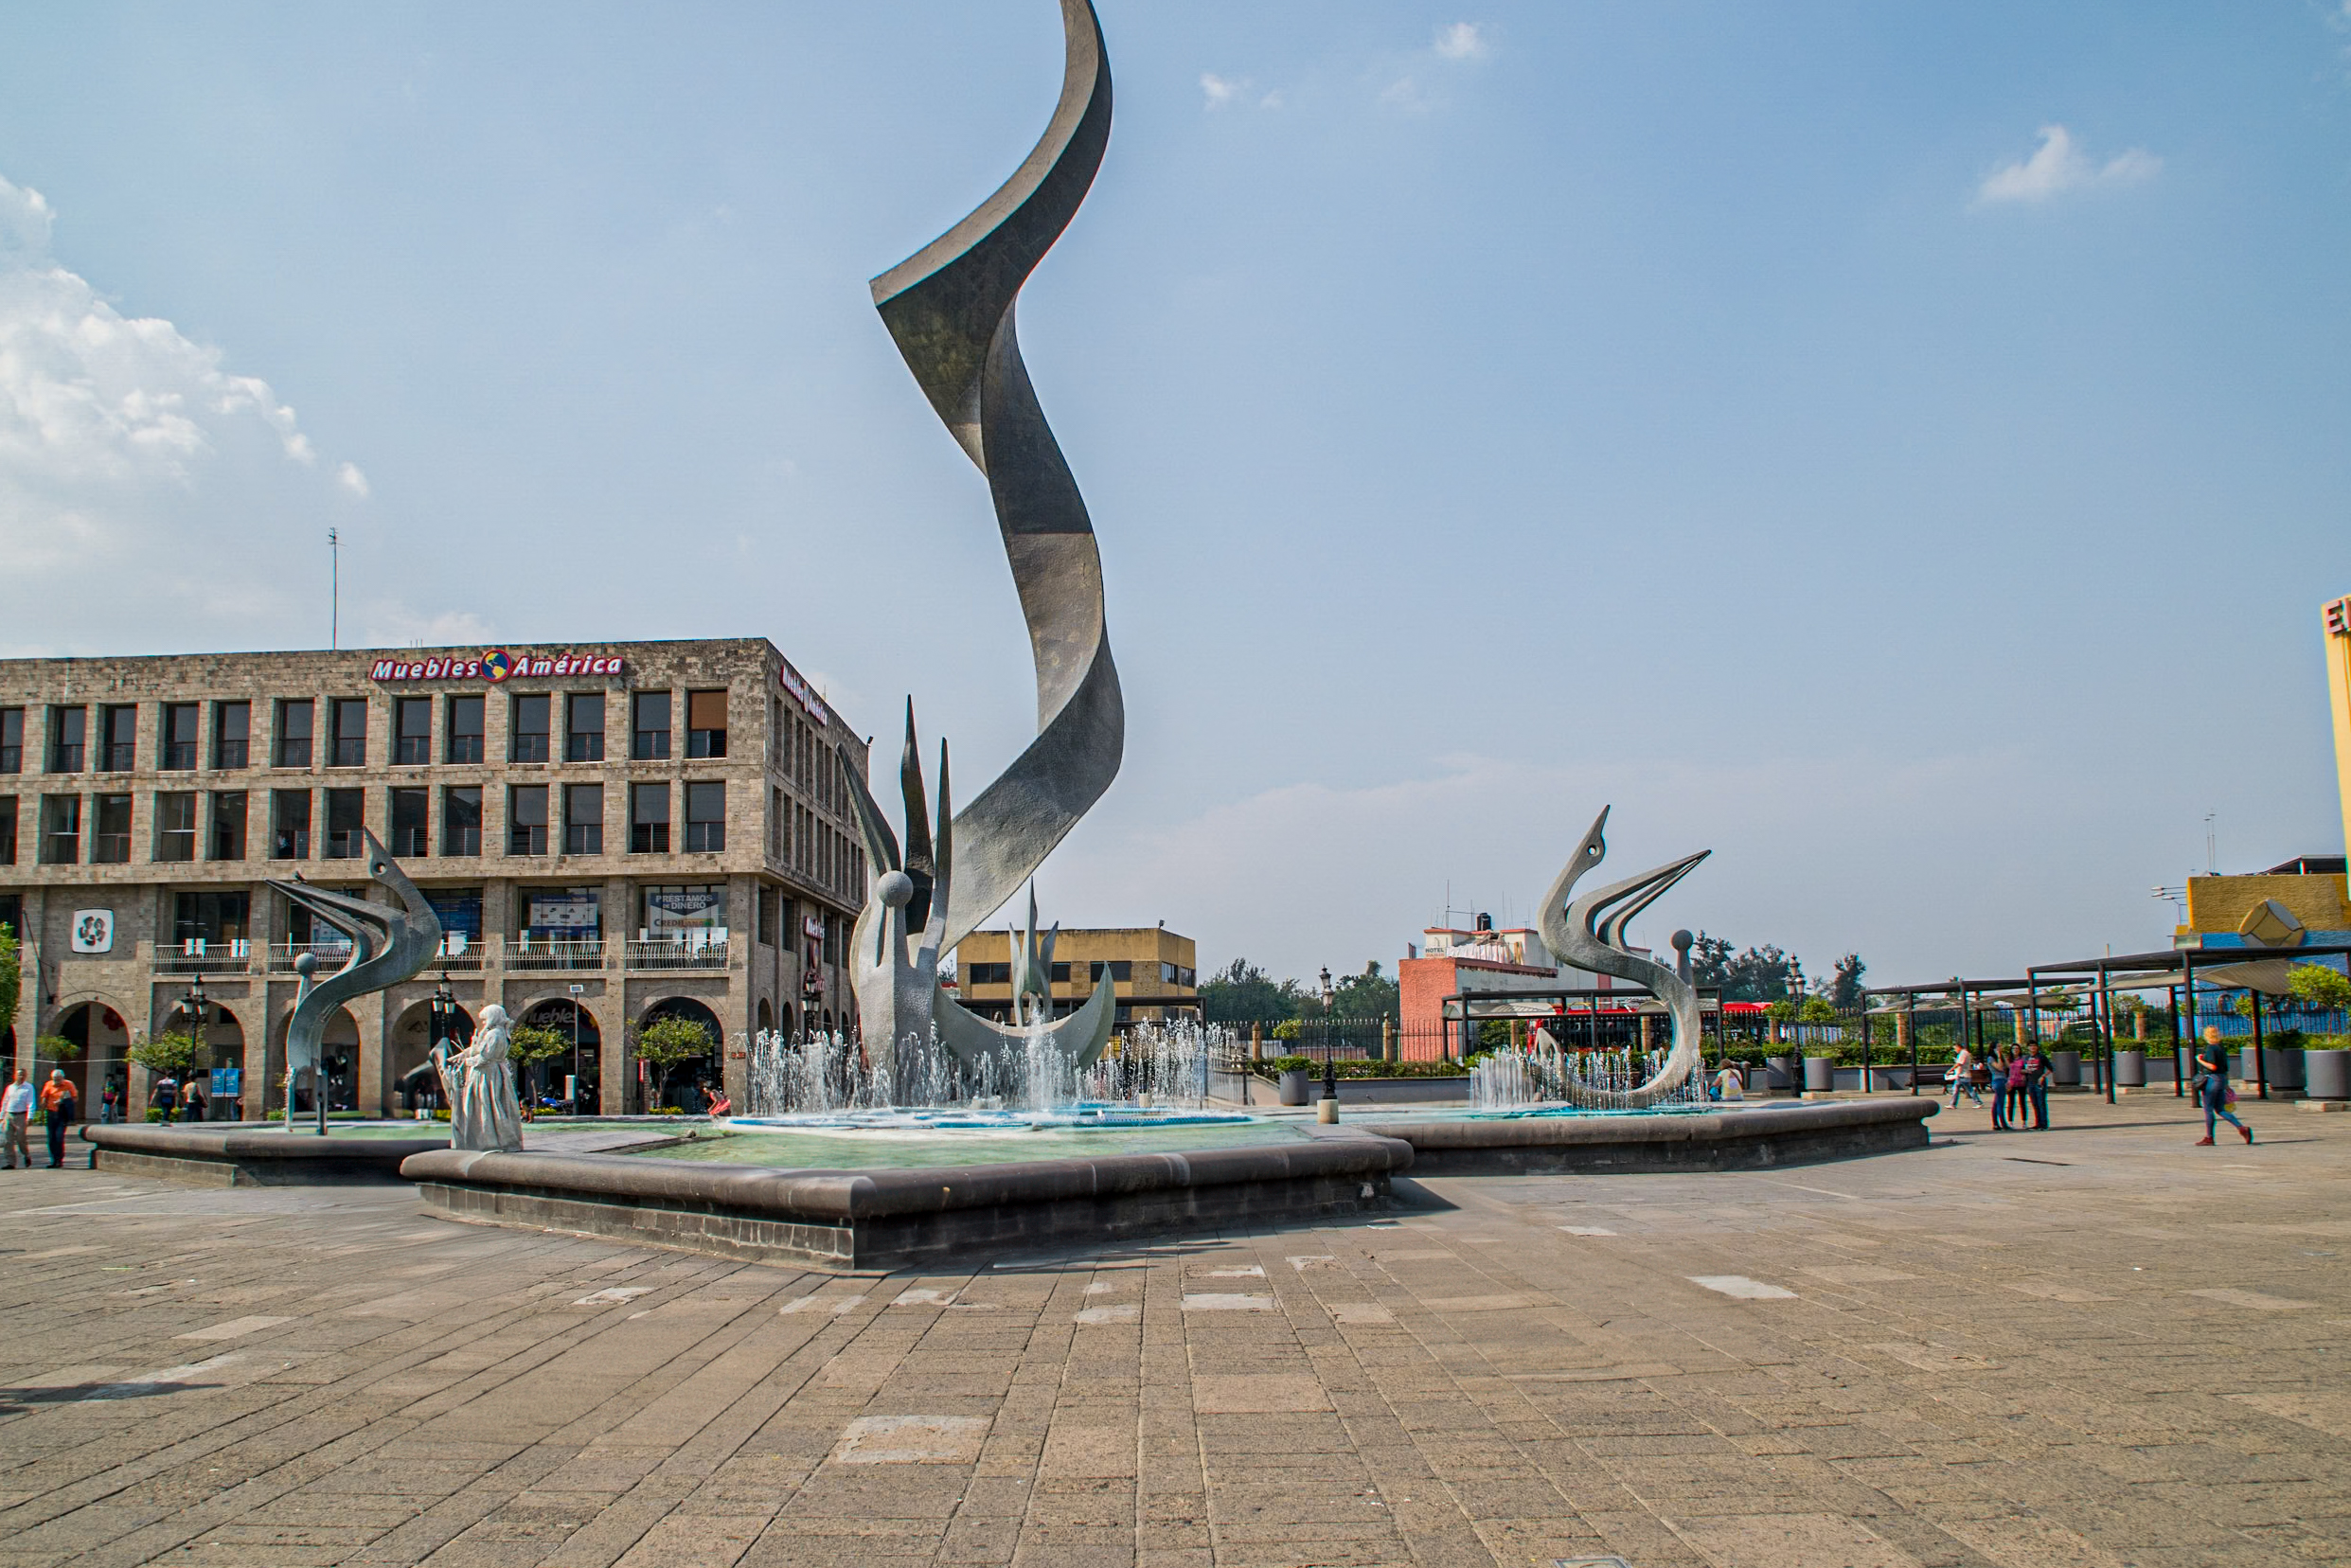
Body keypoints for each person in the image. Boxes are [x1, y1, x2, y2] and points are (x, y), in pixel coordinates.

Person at [2195, 1026, 2252, 1146]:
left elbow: (2212, 1067)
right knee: (2220, 1109)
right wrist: (2226, 1085)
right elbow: (2225, 1068)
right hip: (2221, 1079)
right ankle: (2241, 1128)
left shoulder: (2210, 1048)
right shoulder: (2221, 1048)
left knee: (2208, 1109)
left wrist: (2199, 1060)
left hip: (2212, 1080)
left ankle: (2209, 1137)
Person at [39, 1071, 77, 1168]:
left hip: (62, 1114)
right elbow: (44, 1098)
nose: (57, 1082)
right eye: (55, 1079)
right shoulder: (48, 1084)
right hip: (51, 1113)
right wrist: (41, 1112)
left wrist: (63, 1100)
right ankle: (54, 1160)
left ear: (62, 1078)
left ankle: (59, 1159)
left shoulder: (68, 1084)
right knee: (51, 1138)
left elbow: (75, 1098)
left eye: (59, 1079)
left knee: (59, 1137)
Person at [2, 1069, 33, 1168]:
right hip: (9, 1114)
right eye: (19, 1075)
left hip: (21, 1115)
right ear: (15, 1076)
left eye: (23, 1075)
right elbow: (5, 1101)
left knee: (21, 1138)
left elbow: (31, 1103)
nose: (21, 1077)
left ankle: (26, 1155)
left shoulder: (28, 1087)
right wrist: (1, 1116)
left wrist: (30, 1116)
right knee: (8, 1140)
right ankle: (10, 1162)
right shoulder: (10, 1088)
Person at [2020, 1039, 2051, 1131]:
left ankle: (2044, 1124)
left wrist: (2043, 1076)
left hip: (2039, 1083)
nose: (2032, 1047)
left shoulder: (2041, 1057)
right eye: (2031, 1046)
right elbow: (2021, 1069)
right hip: (2030, 1083)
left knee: (2041, 1103)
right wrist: (2025, 1071)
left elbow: (2050, 1068)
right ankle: (2038, 1123)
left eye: (2034, 1046)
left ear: (2037, 1047)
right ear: (2028, 1047)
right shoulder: (2025, 1058)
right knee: (2035, 1104)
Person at [1949, 1043, 1983, 1109]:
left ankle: (1952, 1104)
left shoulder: (1963, 1053)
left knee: (1958, 1089)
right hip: (1964, 1074)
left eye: (1955, 1048)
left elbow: (1959, 1064)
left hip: (1963, 1075)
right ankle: (1978, 1102)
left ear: (1959, 1047)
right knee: (1966, 1089)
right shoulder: (1965, 1053)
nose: (1955, 1050)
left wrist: (1950, 1070)